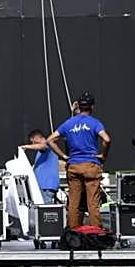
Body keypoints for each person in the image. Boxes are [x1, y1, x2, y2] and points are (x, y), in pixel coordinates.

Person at [46, 92, 112, 230]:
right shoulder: (94, 123)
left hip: (74, 165)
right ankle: (95, 233)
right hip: (90, 164)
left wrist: (63, 156)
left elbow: (50, 140)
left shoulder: (69, 123)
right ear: (92, 107)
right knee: (92, 202)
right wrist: (103, 155)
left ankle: (73, 233)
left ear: (78, 106)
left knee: (74, 203)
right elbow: (106, 139)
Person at [20, 128, 60, 204]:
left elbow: (43, 146)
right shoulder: (40, 153)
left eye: (33, 142)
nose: (32, 144)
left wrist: (25, 146)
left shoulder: (49, 145)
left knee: (45, 209)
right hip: (42, 186)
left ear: (36, 138)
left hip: (47, 186)